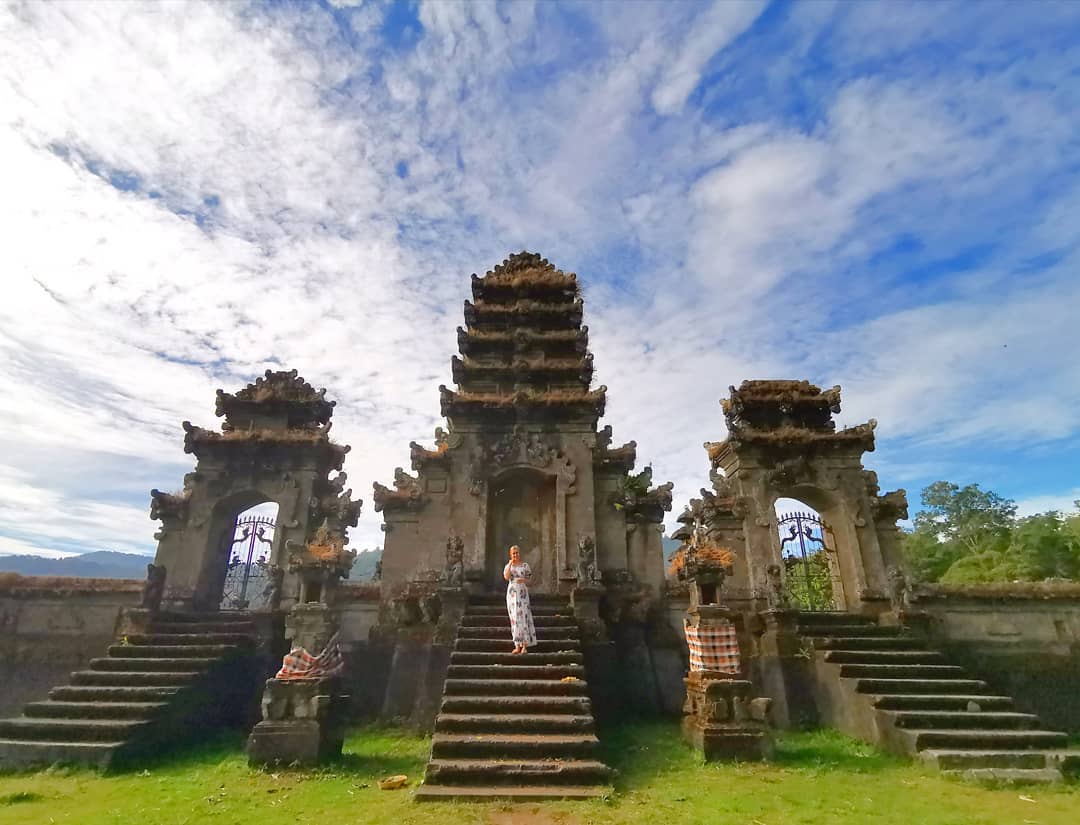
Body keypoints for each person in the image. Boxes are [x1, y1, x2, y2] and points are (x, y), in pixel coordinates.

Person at [503, 544, 536, 655]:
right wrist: (509, 564)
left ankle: (525, 646)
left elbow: (531, 580)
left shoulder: (525, 566)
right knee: (514, 619)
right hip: (512, 594)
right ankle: (517, 645)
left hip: (522, 593)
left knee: (524, 617)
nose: (515, 555)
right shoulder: (509, 566)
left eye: (517, 553)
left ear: (519, 553)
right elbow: (506, 577)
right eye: (513, 553)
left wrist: (524, 581)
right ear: (510, 554)